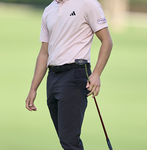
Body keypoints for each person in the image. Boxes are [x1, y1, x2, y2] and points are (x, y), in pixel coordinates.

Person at [25, 0, 113, 149]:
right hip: (52, 77)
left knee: (69, 140)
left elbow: (107, 41)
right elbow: (44, 53)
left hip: (75, 74)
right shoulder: (49, 10)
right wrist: (33, 88)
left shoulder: (87, 3)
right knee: (66, 140)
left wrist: (97, 73)